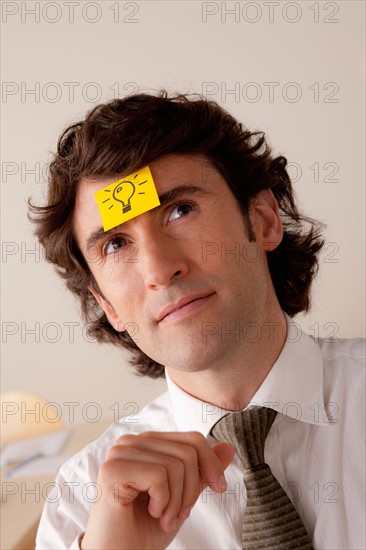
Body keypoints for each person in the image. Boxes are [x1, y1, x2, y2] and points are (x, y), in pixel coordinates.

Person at [30, 92, 365, 550]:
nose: (158, 269)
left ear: (263, 220)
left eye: (180, 210)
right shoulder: (80, 503)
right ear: (106, 304)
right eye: (115, 245)